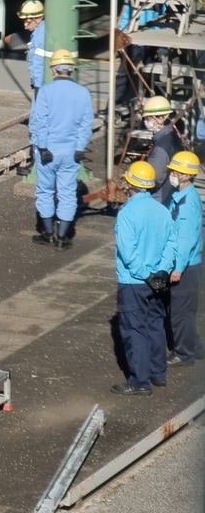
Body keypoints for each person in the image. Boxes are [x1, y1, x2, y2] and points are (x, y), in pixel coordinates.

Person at [111, 160, 177, 395]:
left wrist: (146, 275)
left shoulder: (127, 213)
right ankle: (158, 374)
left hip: (134, 282)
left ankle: (139, 382)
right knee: (156, 324)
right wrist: (161, 271)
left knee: (134, 330)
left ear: (130, 183)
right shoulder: (162, 209)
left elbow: (128, 253)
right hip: (159, 280)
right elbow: (171, 243)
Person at [29, 49, 93, 250]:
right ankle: (63, 238)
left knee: (45, 191)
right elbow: (86, 123)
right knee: (67, 193)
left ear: (53, 70)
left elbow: (41, 122)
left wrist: (42, 146)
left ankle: (47, 233)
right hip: (72, 152)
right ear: (71, 70)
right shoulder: (83, 93)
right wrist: (80, 147)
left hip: (49, 151)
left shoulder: (46, 92)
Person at [165, 150, 203, 366]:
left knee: (179, 313)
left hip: (185, 266)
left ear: (186, 175)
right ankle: (195, 348)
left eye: (176, 171)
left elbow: (185, 240)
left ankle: (184, 353)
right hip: (190, 264)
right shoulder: (183, 196)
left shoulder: (186, 204)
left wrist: (177, 268)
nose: (172, 173)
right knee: (186, 310)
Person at [142, 95, 183, 206]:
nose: (146, 122)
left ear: (161, 118)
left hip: (158, 198)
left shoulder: (161, 147)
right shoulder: (172, 135)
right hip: (169, 193)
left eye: (149, 118)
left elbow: (154, 179)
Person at [19, 0, 47, 96]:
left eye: (28, 22)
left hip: (41, 85)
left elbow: (39, 62)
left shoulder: (41, 36)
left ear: (38, 19)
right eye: (24, 21)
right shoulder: (37, 33)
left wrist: (38, 85)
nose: (25, 25)